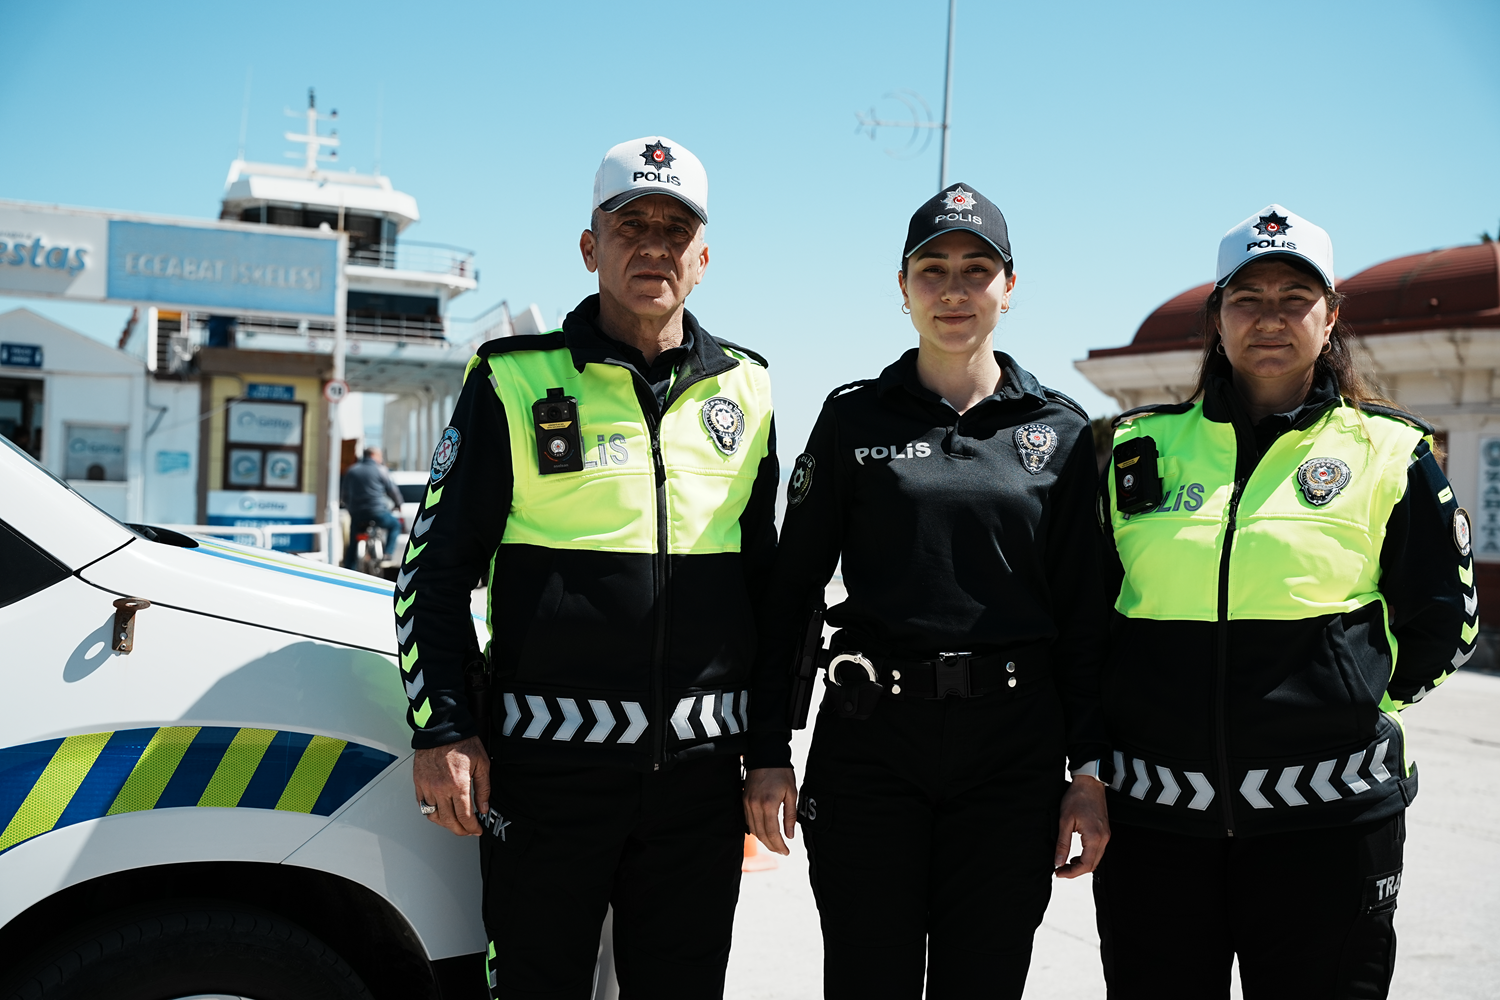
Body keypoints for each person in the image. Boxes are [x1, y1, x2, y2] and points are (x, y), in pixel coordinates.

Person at [394, 136, 779, 999]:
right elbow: (431, 570)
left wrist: (767, 752)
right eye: (629, 224)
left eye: (674, 230)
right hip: (545, 780)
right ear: (589, 246)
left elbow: (768, 593)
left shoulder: (746, 390)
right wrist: (443, 727)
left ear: (703, 258)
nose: (652, 246)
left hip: (696, 788)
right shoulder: (513, 382)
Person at [1092, 205, 1476, 999]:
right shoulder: (1138, 451)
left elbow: (1450, 620)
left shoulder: (1388, 452)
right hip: (1157, 827)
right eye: (1248, 298)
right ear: (1217, 319)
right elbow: (1089, 621)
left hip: (1330, 829)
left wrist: (1354, 694)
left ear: (1330, 316)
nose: (1270, 318)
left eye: (1293, 298)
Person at [743, 183, 1111, 1000]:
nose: (954, 290)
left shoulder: (1061, 432)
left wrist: (1088, 775)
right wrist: (768, 750)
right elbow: (790, 593)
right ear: (902, 287)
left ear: (1009, 289)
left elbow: (1088, 620)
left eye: (976, 271)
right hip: (873, 744)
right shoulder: (852, 421)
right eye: (932, 270)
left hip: (1012, 753)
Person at [340, 446, 402, 568]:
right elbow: (392, 491)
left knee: (353, 542)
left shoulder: (352, 470)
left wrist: (349, 507)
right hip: (377, 511)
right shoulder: (381, 470)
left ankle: (349, 568)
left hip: (356, 512)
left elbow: (345, 494)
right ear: (374, 456)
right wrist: (398, 504)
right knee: (395, 525)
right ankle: (387, 554)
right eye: (380, 456)